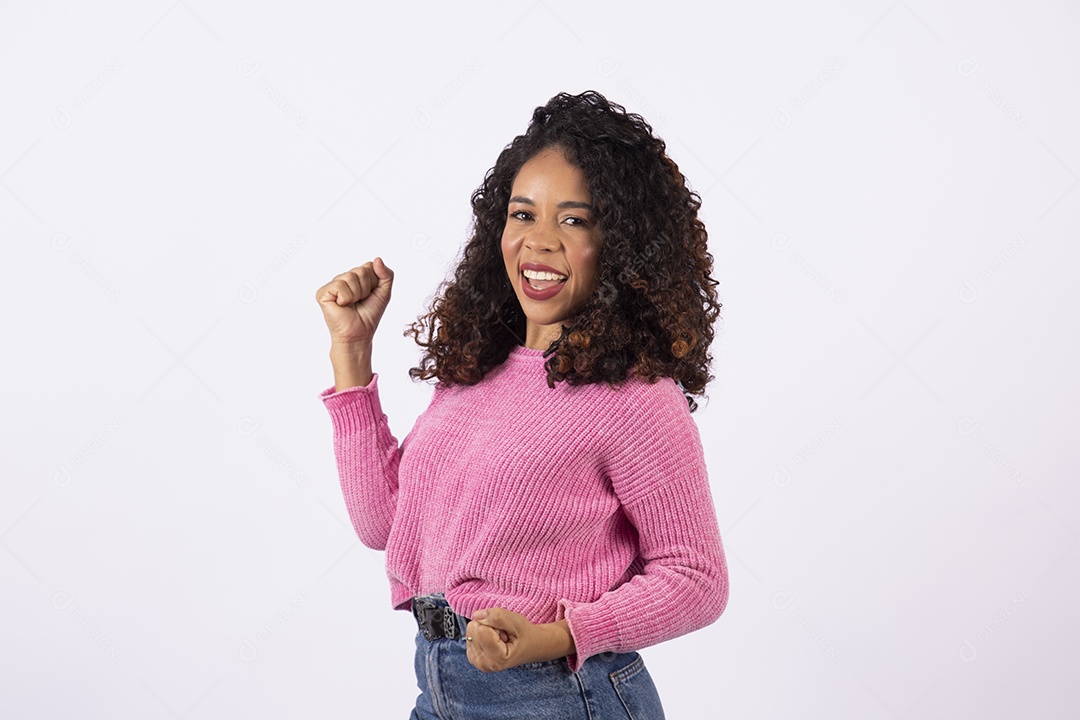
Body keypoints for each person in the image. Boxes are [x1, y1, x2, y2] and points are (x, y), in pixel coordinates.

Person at [315, 90, 728, 719]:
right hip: (441, 687)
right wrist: (351, 352)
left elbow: (697, 580)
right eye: (522, 214)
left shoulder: (637, 397)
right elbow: (384, 525)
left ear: (619, 243)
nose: (539, 242)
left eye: (574, 219)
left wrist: (559, 636)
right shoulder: (477, 367)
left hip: (559, 695)